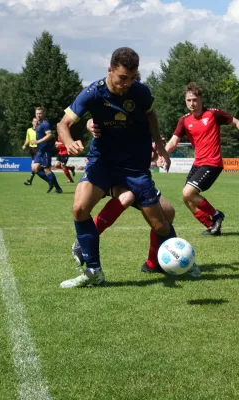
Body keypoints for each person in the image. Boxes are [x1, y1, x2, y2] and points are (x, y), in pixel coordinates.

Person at [56, 47, 176, 288]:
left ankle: (179, 261)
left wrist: (160, 148)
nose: (127, 84)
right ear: (110, 70)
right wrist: (69, 142)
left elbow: (151, 116)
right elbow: (63, 123)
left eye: (132, 78)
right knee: (79, 208)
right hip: (103, 163)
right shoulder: (93, 92)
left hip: (135, 168)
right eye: (123, 78)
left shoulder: (140, 93)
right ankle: (93, 271)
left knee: (163, 220)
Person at [70, 119, 201, 277]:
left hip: (134, 175)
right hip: (109, 172)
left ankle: (153, 264)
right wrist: (89, 124)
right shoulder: (116, 110)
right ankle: (84, 243)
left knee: (168, 211)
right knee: (126, 197)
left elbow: (149, 158)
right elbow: (92, 117)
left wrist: (154, 149)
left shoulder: (143, 118)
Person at [164, 82, 239, 236]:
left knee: (188, 192)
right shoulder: (184, 121)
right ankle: (211, 226)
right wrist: (164, 154)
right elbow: (173, 141)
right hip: (198, 163)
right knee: (187, 199)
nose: (192, 103)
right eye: (189, 100)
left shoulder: (213, 114)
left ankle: (216, 215)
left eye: (195, 99)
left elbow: (236, 122)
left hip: (212, 163)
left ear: (201, 99)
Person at [30, 107, 63, 194]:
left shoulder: (45, 124)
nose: (38, 115)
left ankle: (58, 188)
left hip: (45, 150)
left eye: (40, 113)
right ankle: (50, 182)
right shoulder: (38, 124)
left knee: (47, 170)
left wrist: (38, 141)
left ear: (43, 114)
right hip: (40, 150)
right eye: (37, 113)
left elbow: (49, 135)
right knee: (34, 168)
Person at [22, 118, 39, 185]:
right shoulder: (29, 130)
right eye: (34, 121)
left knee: (33, 166)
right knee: (36, 167)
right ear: (32, 122)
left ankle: (30, 181)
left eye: (37, 122)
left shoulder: (40, 130)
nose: (36, 123)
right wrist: (24, 145)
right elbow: (27, 139)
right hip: (32, 150)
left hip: (38, 149)